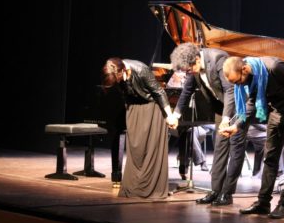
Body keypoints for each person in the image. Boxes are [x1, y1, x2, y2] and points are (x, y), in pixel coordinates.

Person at [220, 56, 284, 219]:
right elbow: (251, 102)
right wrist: (236, 126)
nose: (238, 86)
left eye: (238, 82)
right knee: (270, 158)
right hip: (276, 113)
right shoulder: (251, 76)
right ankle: (263, 203)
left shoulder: (275, 67)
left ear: (244, 69)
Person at [169, 43, 247, 206]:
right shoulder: (193, 66)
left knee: (235, 150)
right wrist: (176, 115)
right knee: (220, 148)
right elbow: (186, 91)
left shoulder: (218, 59)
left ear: (197, 60)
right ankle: (215, 191)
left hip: (237, 108)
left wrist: (227, 118)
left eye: (189, 70)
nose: (188, 73)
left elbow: (230, 91)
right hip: (221, 109)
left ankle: (227, 193)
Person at [101, 57, 175, 199]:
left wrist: (169, 115)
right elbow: (125, 93)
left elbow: (159, 92)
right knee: (136, 149)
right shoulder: (115, 72)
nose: (119, 82)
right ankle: (134, 186)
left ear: (123, 70)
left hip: (152, 108)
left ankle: (152, 187)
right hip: (134, 109)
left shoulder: (141, 70)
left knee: (151, 148)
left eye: (119, 78)